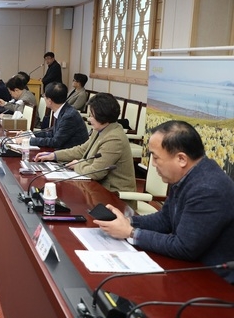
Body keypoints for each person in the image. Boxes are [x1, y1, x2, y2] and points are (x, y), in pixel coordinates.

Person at [94, 121, 234, 283]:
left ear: (181, 159)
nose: (152, 164)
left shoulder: (208, 189)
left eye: (155, 157)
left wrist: (130, 232)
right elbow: (165, 219)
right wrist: (127, 221)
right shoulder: (188, 175)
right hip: (189, 268)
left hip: (213, 281)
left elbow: (184, 247)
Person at [34, 92, 136, 194]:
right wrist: (54, 155)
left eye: (91, 115)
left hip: (114, 195)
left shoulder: (114, 139)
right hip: (95, 188)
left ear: (102, 115)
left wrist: (76, 165)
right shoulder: (101, 128)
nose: (89, 119)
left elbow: (96, 172)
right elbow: (82, 150)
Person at [29, 82, 89, 149]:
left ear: (49, 101)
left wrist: (29, 141)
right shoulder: (63, 110)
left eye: (44, 96)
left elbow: (56, 142)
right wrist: (29, 135)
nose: (44, 97)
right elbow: (52, 132)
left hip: (71, 156)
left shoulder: (69, 116)